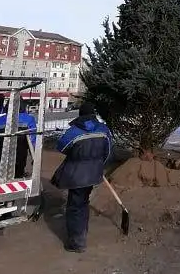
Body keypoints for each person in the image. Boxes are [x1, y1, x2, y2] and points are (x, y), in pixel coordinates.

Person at [51, 101, 112, 253]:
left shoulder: (74, 131)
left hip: (76, 176)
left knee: (75, 207)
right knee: (83, 203)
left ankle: (77, 242)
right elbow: (108, 152)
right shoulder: (103, 130)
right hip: (92, 175)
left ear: (80, 114)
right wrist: (97, 166)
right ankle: (82, 233)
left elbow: (61, 147)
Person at [0, 96, 37, 181]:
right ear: (23, 106)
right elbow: (33, 142)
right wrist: (36, 161)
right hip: (18, 161)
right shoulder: (29, 120)